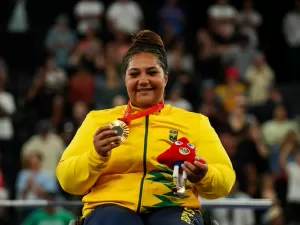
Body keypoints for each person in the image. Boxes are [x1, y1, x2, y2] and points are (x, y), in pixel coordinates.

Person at [56, 30, 236, 225]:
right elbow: (67, 180)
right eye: (134, 74)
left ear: (165, 78)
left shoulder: (195, 122)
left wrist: (205, 176)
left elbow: (225, 180)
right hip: (109, 205)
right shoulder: (97, 120)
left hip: (175, 206)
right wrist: (95, 156)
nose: (143, 80)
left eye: (152, 72)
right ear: (125, 80)